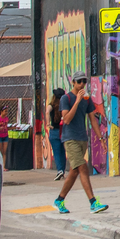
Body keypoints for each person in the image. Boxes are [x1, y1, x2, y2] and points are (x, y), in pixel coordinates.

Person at [54, 76, 108, 214]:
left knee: (74, 171)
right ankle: (93, 202)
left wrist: (101, 139)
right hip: (70, 139)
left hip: (82, 139)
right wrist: (77, 101)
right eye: (79, 82)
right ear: (73, 83)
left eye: (84, 81)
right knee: (83, 168)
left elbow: (93, 120)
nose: (82, 84)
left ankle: (59, 200)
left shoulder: (87, 99)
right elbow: (66, 119)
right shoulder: (66, 99)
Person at [47, 88, 67, 178]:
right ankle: (63, 170)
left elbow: (47, 112)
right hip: (64, 130)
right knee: (63, 152)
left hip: (54, 130)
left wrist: (48, 123)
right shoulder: (64, 106)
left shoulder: (51, 105)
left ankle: (59, 170)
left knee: (56, 152)